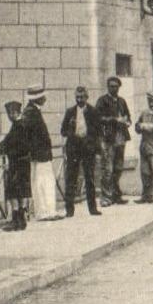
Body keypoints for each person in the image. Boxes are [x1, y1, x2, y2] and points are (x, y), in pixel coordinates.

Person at [60, 86, 101, 217]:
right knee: (71, 178)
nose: (79, 99)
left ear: (87, 97)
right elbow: (63, 131)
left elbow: (98, 131)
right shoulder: (70, 112)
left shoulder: (93, 111)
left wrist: (92, 144)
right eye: (77, 97)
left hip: (88, 148)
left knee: (90, 178)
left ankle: (92, 208)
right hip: (73, 148)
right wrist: (71, 129)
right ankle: (69, 210)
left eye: (82, 97)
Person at [20, 84, 58, 220]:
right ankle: (45, 212)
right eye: (43, 96)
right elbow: (27, 134)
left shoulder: (31, 111)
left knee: (42, 182)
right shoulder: (31, 112)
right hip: (40, 154)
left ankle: (46, 211)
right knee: (43, 182)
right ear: (38, 98)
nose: (45, 98)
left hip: (40, 154)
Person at [0, 101, 31, 231]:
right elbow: (8, 141)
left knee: (13, 191)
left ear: (17, 112)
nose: (11, 115)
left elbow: (11, 143)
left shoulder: (19, 126)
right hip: (23, 162)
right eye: (10, 113)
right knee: (22, 190)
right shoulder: (21, 124)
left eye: (13, 112)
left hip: (17, 163)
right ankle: (21, 220)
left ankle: (16, 221)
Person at [95, 75, 131, 205]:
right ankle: (105, 197)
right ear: (108, 87)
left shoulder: (122, 101)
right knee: (107, 169)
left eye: (116, 86)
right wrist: (114, 119)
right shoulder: (102, 101)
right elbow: (97, 118)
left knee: (118, 168)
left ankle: (116, 195)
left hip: (120, 138)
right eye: (111, 86)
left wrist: (127, 122)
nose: (113, 88)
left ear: (119, 87)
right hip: (108, 138)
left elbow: (128, 116)